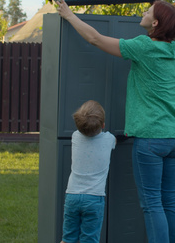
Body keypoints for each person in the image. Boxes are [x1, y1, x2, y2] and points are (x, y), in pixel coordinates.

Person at [56, 0, 175, 243]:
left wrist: (70, 15)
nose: (144, 11)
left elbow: (95, 39)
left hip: (151, 137)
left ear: (156, 22)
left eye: (148, 11)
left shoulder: (143, 47)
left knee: (152, 204)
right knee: (169, 198)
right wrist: (163, 6)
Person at [61, 100, 116, 243]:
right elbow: (114, 141)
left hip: (72, 195)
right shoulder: (109, 139)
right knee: (89, 239)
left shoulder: (75, 137)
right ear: (103, 125)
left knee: (68, 238)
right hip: (94, 198)